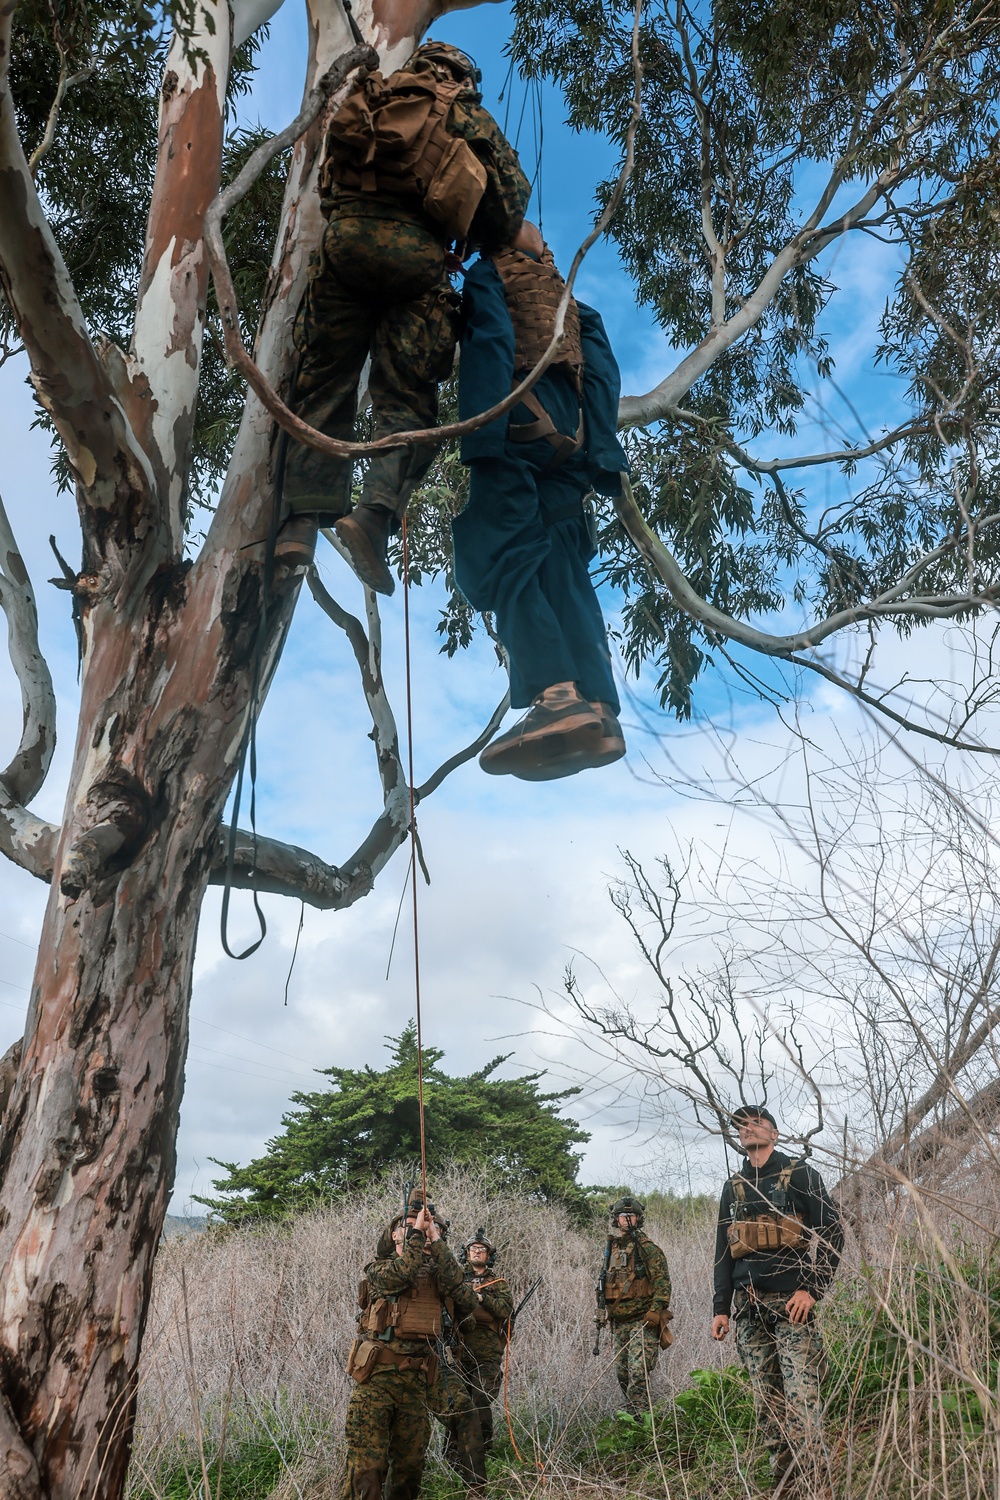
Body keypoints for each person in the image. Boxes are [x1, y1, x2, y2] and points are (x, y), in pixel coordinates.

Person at [279, 40, 530, 591]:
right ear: (463, 78)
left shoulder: (376, 95)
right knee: (408, 396)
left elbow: (327, 176)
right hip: (418, 262)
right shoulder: (469, 116)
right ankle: (374, 515)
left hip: (344, 247)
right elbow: (507, 211)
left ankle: (298, 522)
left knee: (322, 381)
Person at [452, 219, 630, 779]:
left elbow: (490, 344)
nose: (546, 242)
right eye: (539, 237)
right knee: (564, 564)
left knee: (502, 552)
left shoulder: (490, 275)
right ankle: (598, 708)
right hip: (574, 440)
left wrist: (480, 435)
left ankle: (555, 698)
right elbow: (602, 371)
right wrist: (603, 446)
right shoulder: (572, 304)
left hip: (514, 426)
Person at [711, 1105, 844, 1493]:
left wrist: (813, 1290)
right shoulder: (733, 1187)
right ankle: (785, 1482)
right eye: (742, 1125)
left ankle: (816, 1483)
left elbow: (834, 1233)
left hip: (792, 1306)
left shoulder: (799, 1174)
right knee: (766, 1403)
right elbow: (722, 1251)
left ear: (775, 1133)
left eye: (757, 1123)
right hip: (748, 1309)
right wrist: (721, 1308)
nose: (748, 1129)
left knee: (802, 1397)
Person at [342, 1194, 486, 1499]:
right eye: (407, 1227)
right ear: (394, 1233)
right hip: (377, 1378)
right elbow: (401, 1273)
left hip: (418, 1380)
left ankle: (476, 1487)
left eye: (420, 1226)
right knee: (367, 1467)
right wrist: (418, 1236)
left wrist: (435, 1240)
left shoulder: (438, 1273)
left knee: (409, 1470)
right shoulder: (379, 1269)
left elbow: (463, 1292)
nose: (414, 1230)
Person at [595, 1194, 672, 1417]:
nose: (626, 1220)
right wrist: (602, 1309)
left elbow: (662, 1284)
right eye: (622, 1216)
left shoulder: (648, 1249)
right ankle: (634, 1418)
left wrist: (655, 1311)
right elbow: (605, 1283)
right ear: (615, 1219)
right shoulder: (612, 1250)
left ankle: (639, 1425)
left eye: (631, 1216)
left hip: (642, 1321)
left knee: (639, 1374)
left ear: (639, 1218)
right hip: (619, 1322)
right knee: (624, 1374)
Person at [449, 1228, 515, 1458]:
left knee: (481, 1398)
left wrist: (480, 1298)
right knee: (457, 1401)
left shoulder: (498, 1282)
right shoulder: (456, 1279)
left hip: (488, 1350)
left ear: (489, 1255)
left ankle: (482, 1451)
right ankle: (453, 1453)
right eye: (473, 1249)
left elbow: (505, 1308)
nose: (477, 1252)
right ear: (466, 1254)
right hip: (459, 1349)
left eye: (482, 1250)